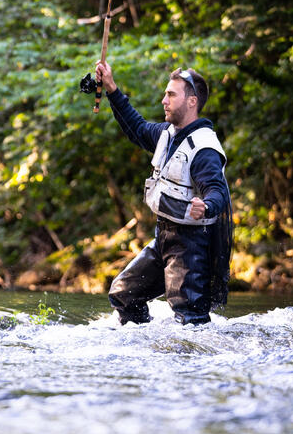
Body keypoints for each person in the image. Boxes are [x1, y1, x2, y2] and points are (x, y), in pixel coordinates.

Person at [95, 60, 232, 326]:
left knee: (189, 323)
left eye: (171, 94)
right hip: (164, 239)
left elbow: (217, 190)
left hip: (192, 248)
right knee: (124, 295)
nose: (163, 100)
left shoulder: (204, 147)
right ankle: (144, 346)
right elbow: (136, 127)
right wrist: (111, 88)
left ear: (192, 101)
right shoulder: (167, 135)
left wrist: (206, 206)